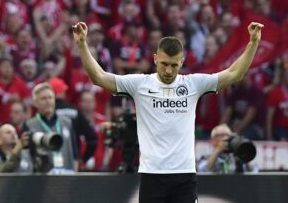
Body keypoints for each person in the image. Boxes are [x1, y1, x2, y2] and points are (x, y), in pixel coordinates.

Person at [72, 20, 263, 203]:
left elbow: (233, 74)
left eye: (174, 65)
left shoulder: (193, 84)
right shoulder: (140, 84)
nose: (169, 70)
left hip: (184, 175)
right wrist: (82, 45)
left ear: (182, 61)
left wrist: (253, 43)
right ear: (155, 58)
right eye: (164, 64)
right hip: (152, 175)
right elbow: (99, 77)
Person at [25, 83, 79, 174]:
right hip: (42, 179)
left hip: (67, 177)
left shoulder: (67, 123)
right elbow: (27, 157)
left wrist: (75, 176)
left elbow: (75, 154)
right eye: (43, 99)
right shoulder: (30, 125)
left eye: (50, 98)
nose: (48, 101)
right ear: (36, 103)